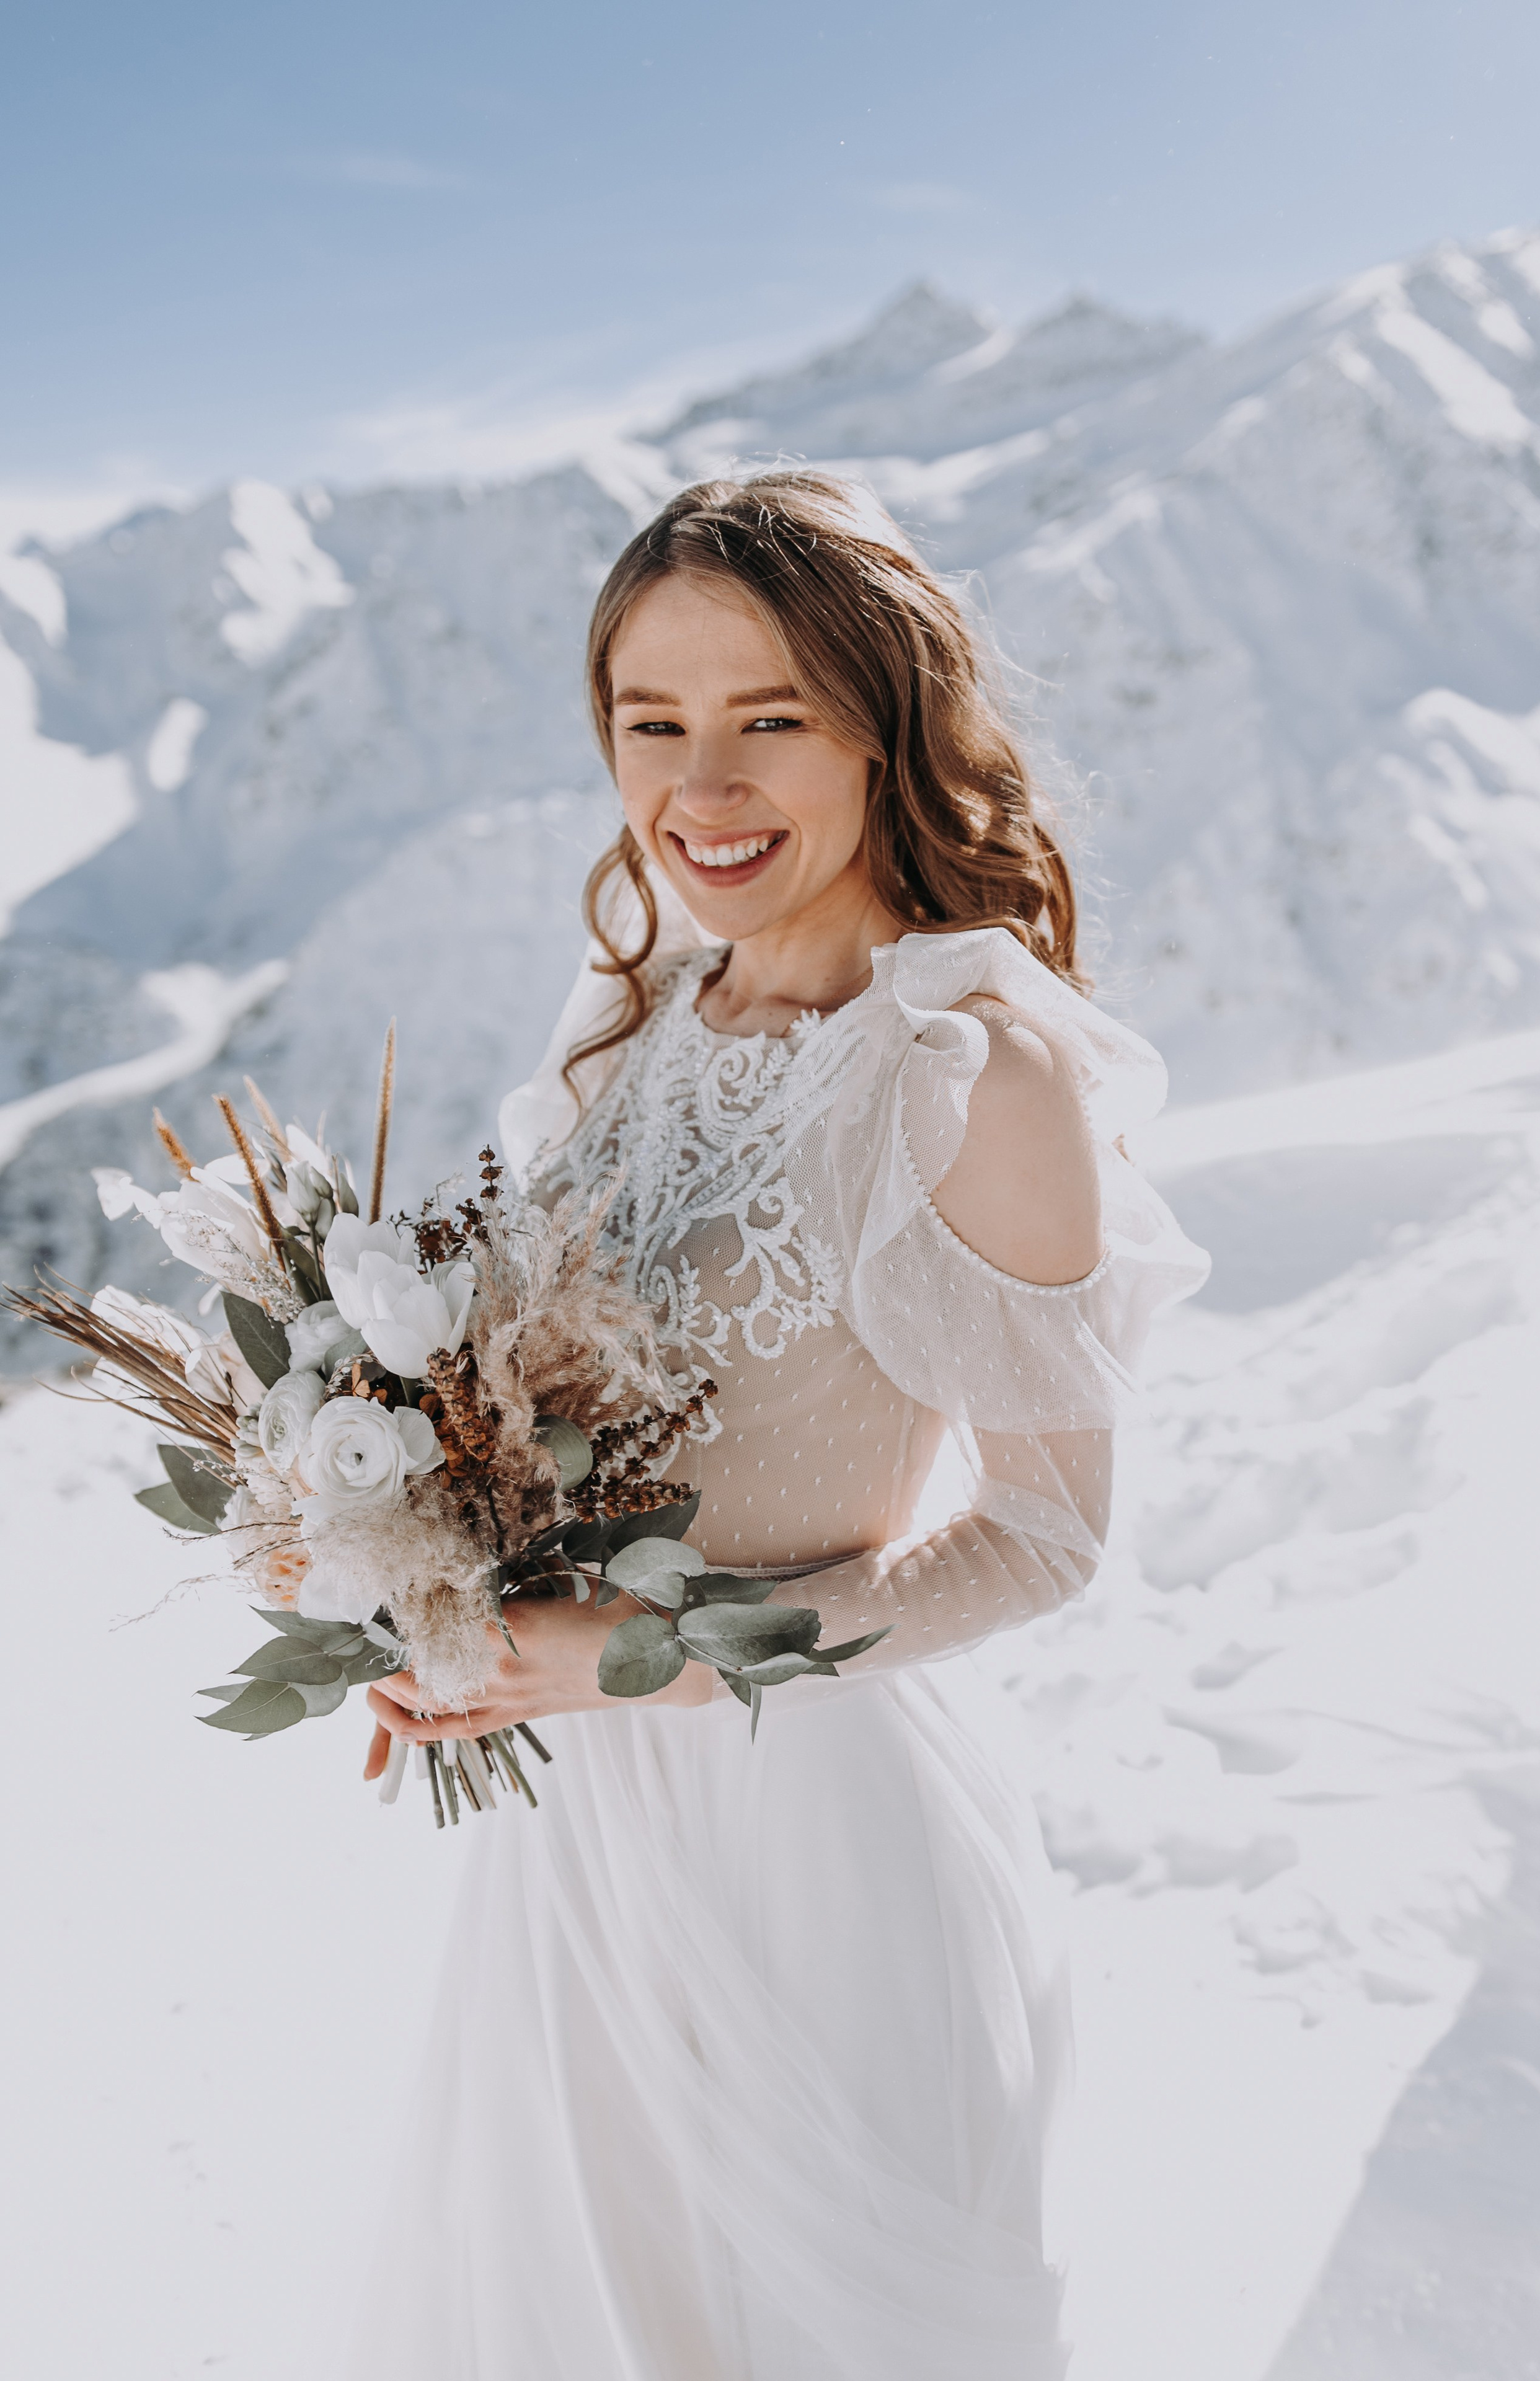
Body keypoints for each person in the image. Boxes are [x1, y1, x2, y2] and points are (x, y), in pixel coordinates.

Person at [352, 472, 1208, 2380]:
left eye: (772, 718)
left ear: (887, 728)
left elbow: (1044, 1540)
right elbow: (516, 1399)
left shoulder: (967, 1071)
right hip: (577, 1850)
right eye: (652, 723)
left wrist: (628, 1660)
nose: (701, 787)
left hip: (811, 1852)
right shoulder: (640, 1011)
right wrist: (405, 1575)